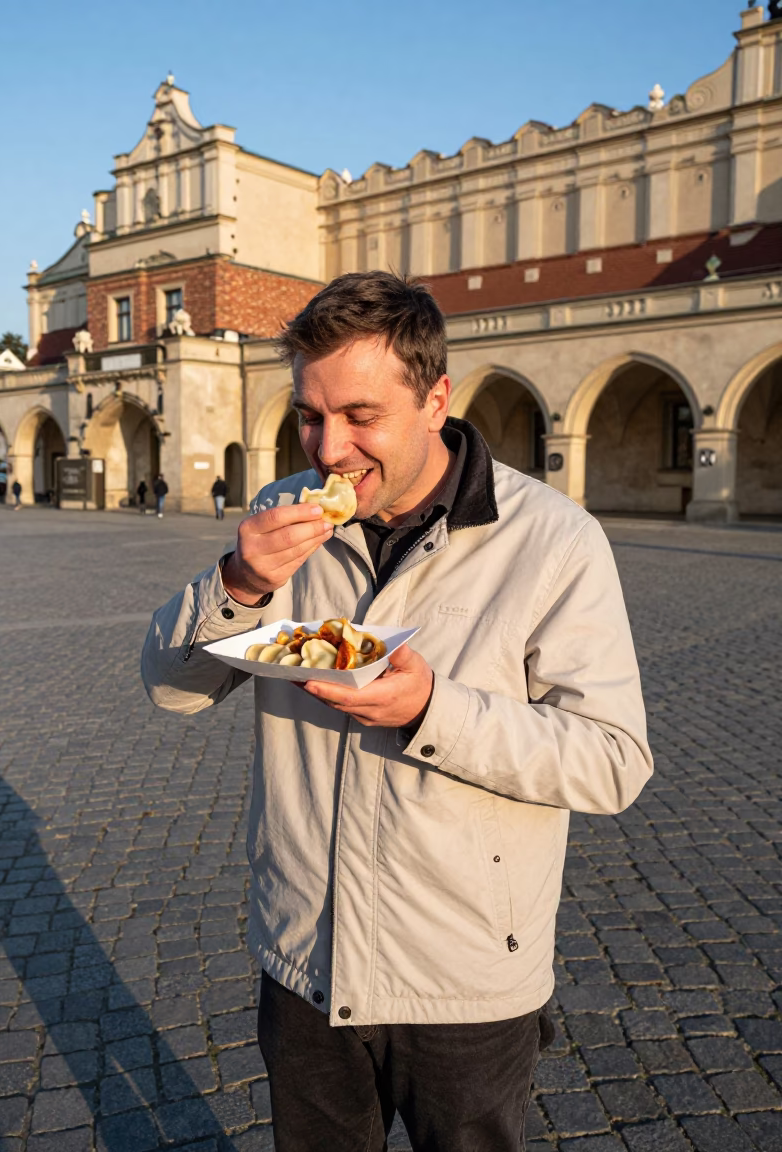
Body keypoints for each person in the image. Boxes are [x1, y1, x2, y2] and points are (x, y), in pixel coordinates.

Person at [141, 272, 652, 1152]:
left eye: (361, 416)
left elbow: (612, 760)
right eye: (309, 414)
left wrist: (432, 709)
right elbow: (173, 688)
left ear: (436, 399)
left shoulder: (553, 539)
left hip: (463, 976)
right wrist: (239, 581)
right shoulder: (282, 514)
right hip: (306, 963)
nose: (329, 448)